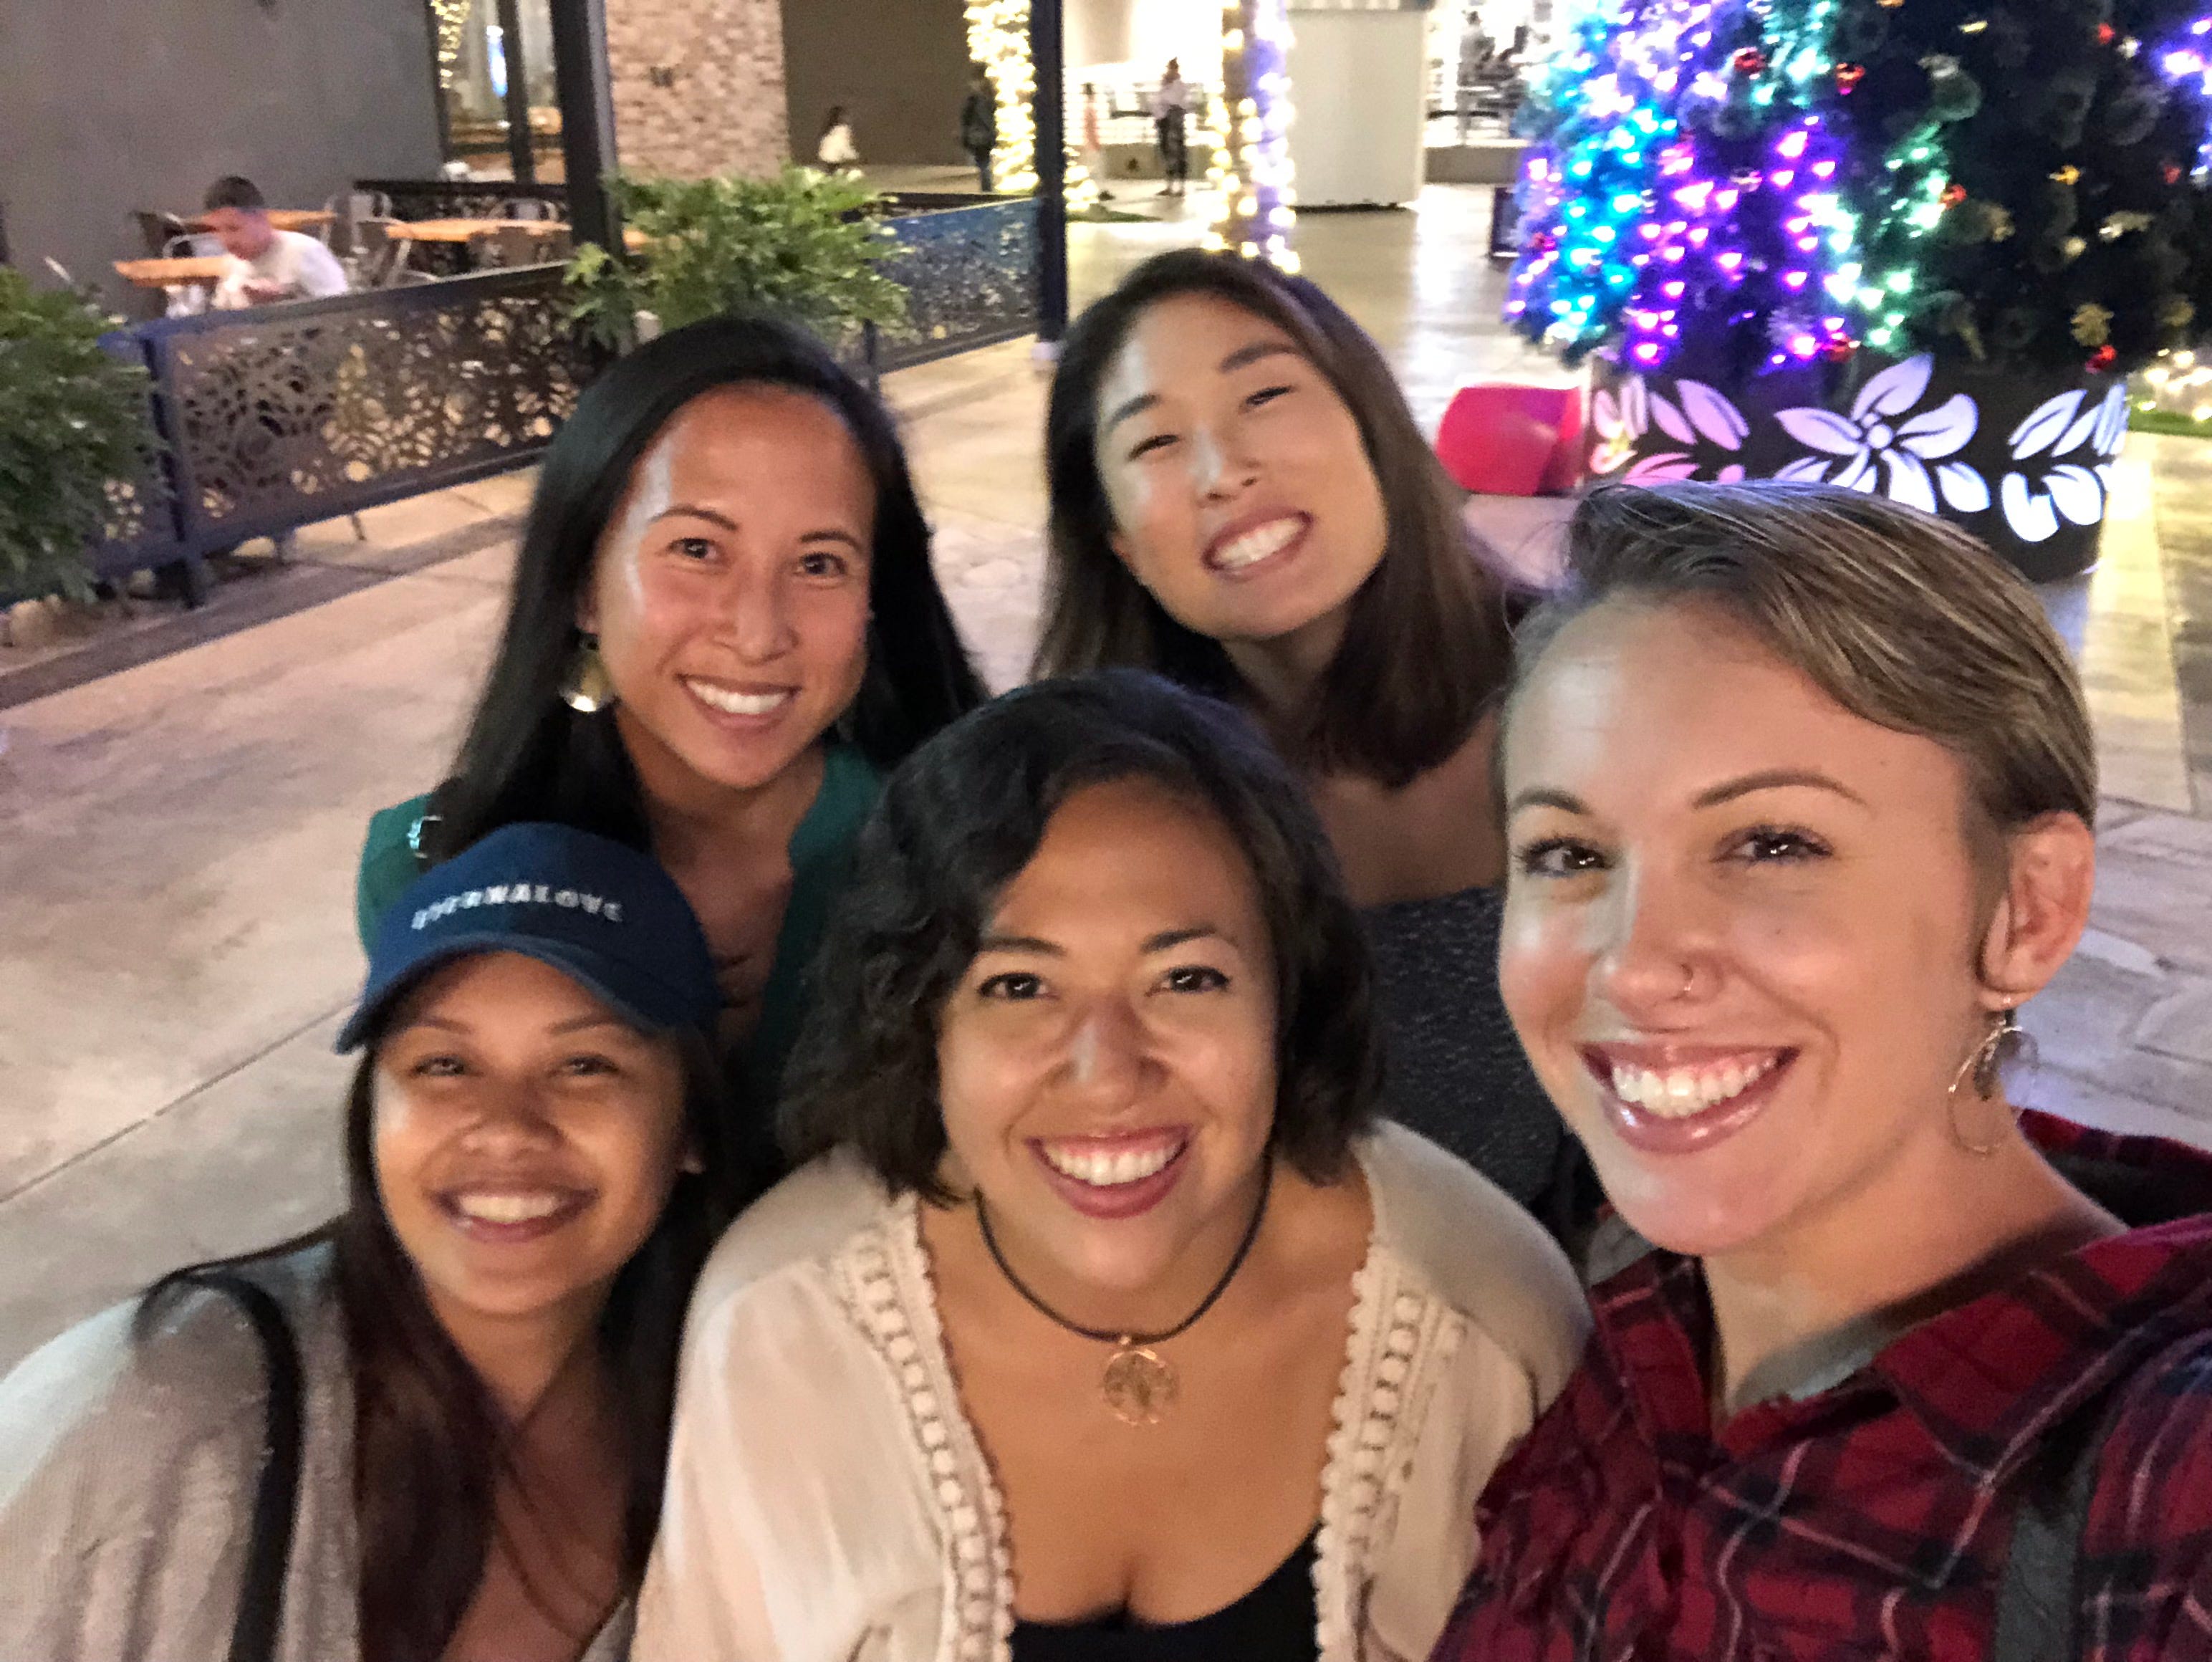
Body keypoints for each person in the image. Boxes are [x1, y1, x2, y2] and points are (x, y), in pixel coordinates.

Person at [631, 671, 1588, 1661]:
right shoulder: (781, 1328)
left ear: (1287, 997)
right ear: (920, 1020)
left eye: (1186, 978)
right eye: (1020, 986)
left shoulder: (1485, 1323)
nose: (1108, 1073)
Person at [1432, 482, 2212, 1660]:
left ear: (2026, 909)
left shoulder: (2163, 1489)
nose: (1632, 965)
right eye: (1569, 853)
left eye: (1771, 843)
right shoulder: (1632, 1327)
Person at [0, 822, 753, 1661]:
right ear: (371, 1113)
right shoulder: (161, 1411)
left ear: (690, 1125)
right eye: (443, 1065)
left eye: (585, 1066)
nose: (505, 1128)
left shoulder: (736, 1431)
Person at [1034, 249, 1600, 1258]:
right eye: (1155, 441)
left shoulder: (1588, 696)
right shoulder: (1103, 797)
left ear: (1370, 423)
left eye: (1265, 397)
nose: (1224, 472)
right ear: (1117, 539)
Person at [354, 315, 987, 1167]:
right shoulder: (433, 871)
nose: (758, 634)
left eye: (819, 563)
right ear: (584, 583)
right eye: (697, 549)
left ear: (877, 598)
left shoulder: (958, 857)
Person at [201, 175, 348, 310]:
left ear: (261, 219)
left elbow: (343, 311)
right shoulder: (232, 263)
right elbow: (220, 319)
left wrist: (283, 300)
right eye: (217, 230)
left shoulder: (304, 252)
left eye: (233, 228)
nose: (226, 241)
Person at [1152, 59, 1191, 197]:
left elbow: (1174, 101)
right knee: (1166, 153)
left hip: (1174, 122)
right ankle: (1169, 185)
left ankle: (1181, 187)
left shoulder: (1179, 86)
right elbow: (1158, 102)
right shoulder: (1164, 86)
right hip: (1163, 122)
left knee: (1177, 153)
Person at [960, 69, 999, 193]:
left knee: (983, 164)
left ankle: (987, 189)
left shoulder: (978, 101)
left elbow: (970, 119)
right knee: (984, 163)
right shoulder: (986, 99)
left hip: (980, 136)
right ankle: (987, 188)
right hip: (983, 136)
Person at [817, 106, 860, 170]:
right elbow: (844, 144)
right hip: (837, 155)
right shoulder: (843, 129)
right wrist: (852, 155)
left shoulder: (829, 130)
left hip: (828, 156)